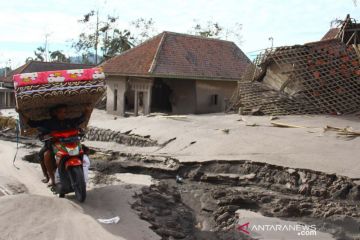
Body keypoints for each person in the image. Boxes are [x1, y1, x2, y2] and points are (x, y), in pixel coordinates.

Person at [18, 104, 92, 188]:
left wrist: (87, 110)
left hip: (70, 144)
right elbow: (31, 123)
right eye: (60, 112)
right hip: (54, 145)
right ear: (54, 113)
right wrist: (21, 113)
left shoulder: (70, 121)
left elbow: (82, 119)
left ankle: (82, 176)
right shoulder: (48, 123)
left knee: (85, 151)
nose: (63, 114)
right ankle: (51, 179)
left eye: (64, 112)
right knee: (45, 155)